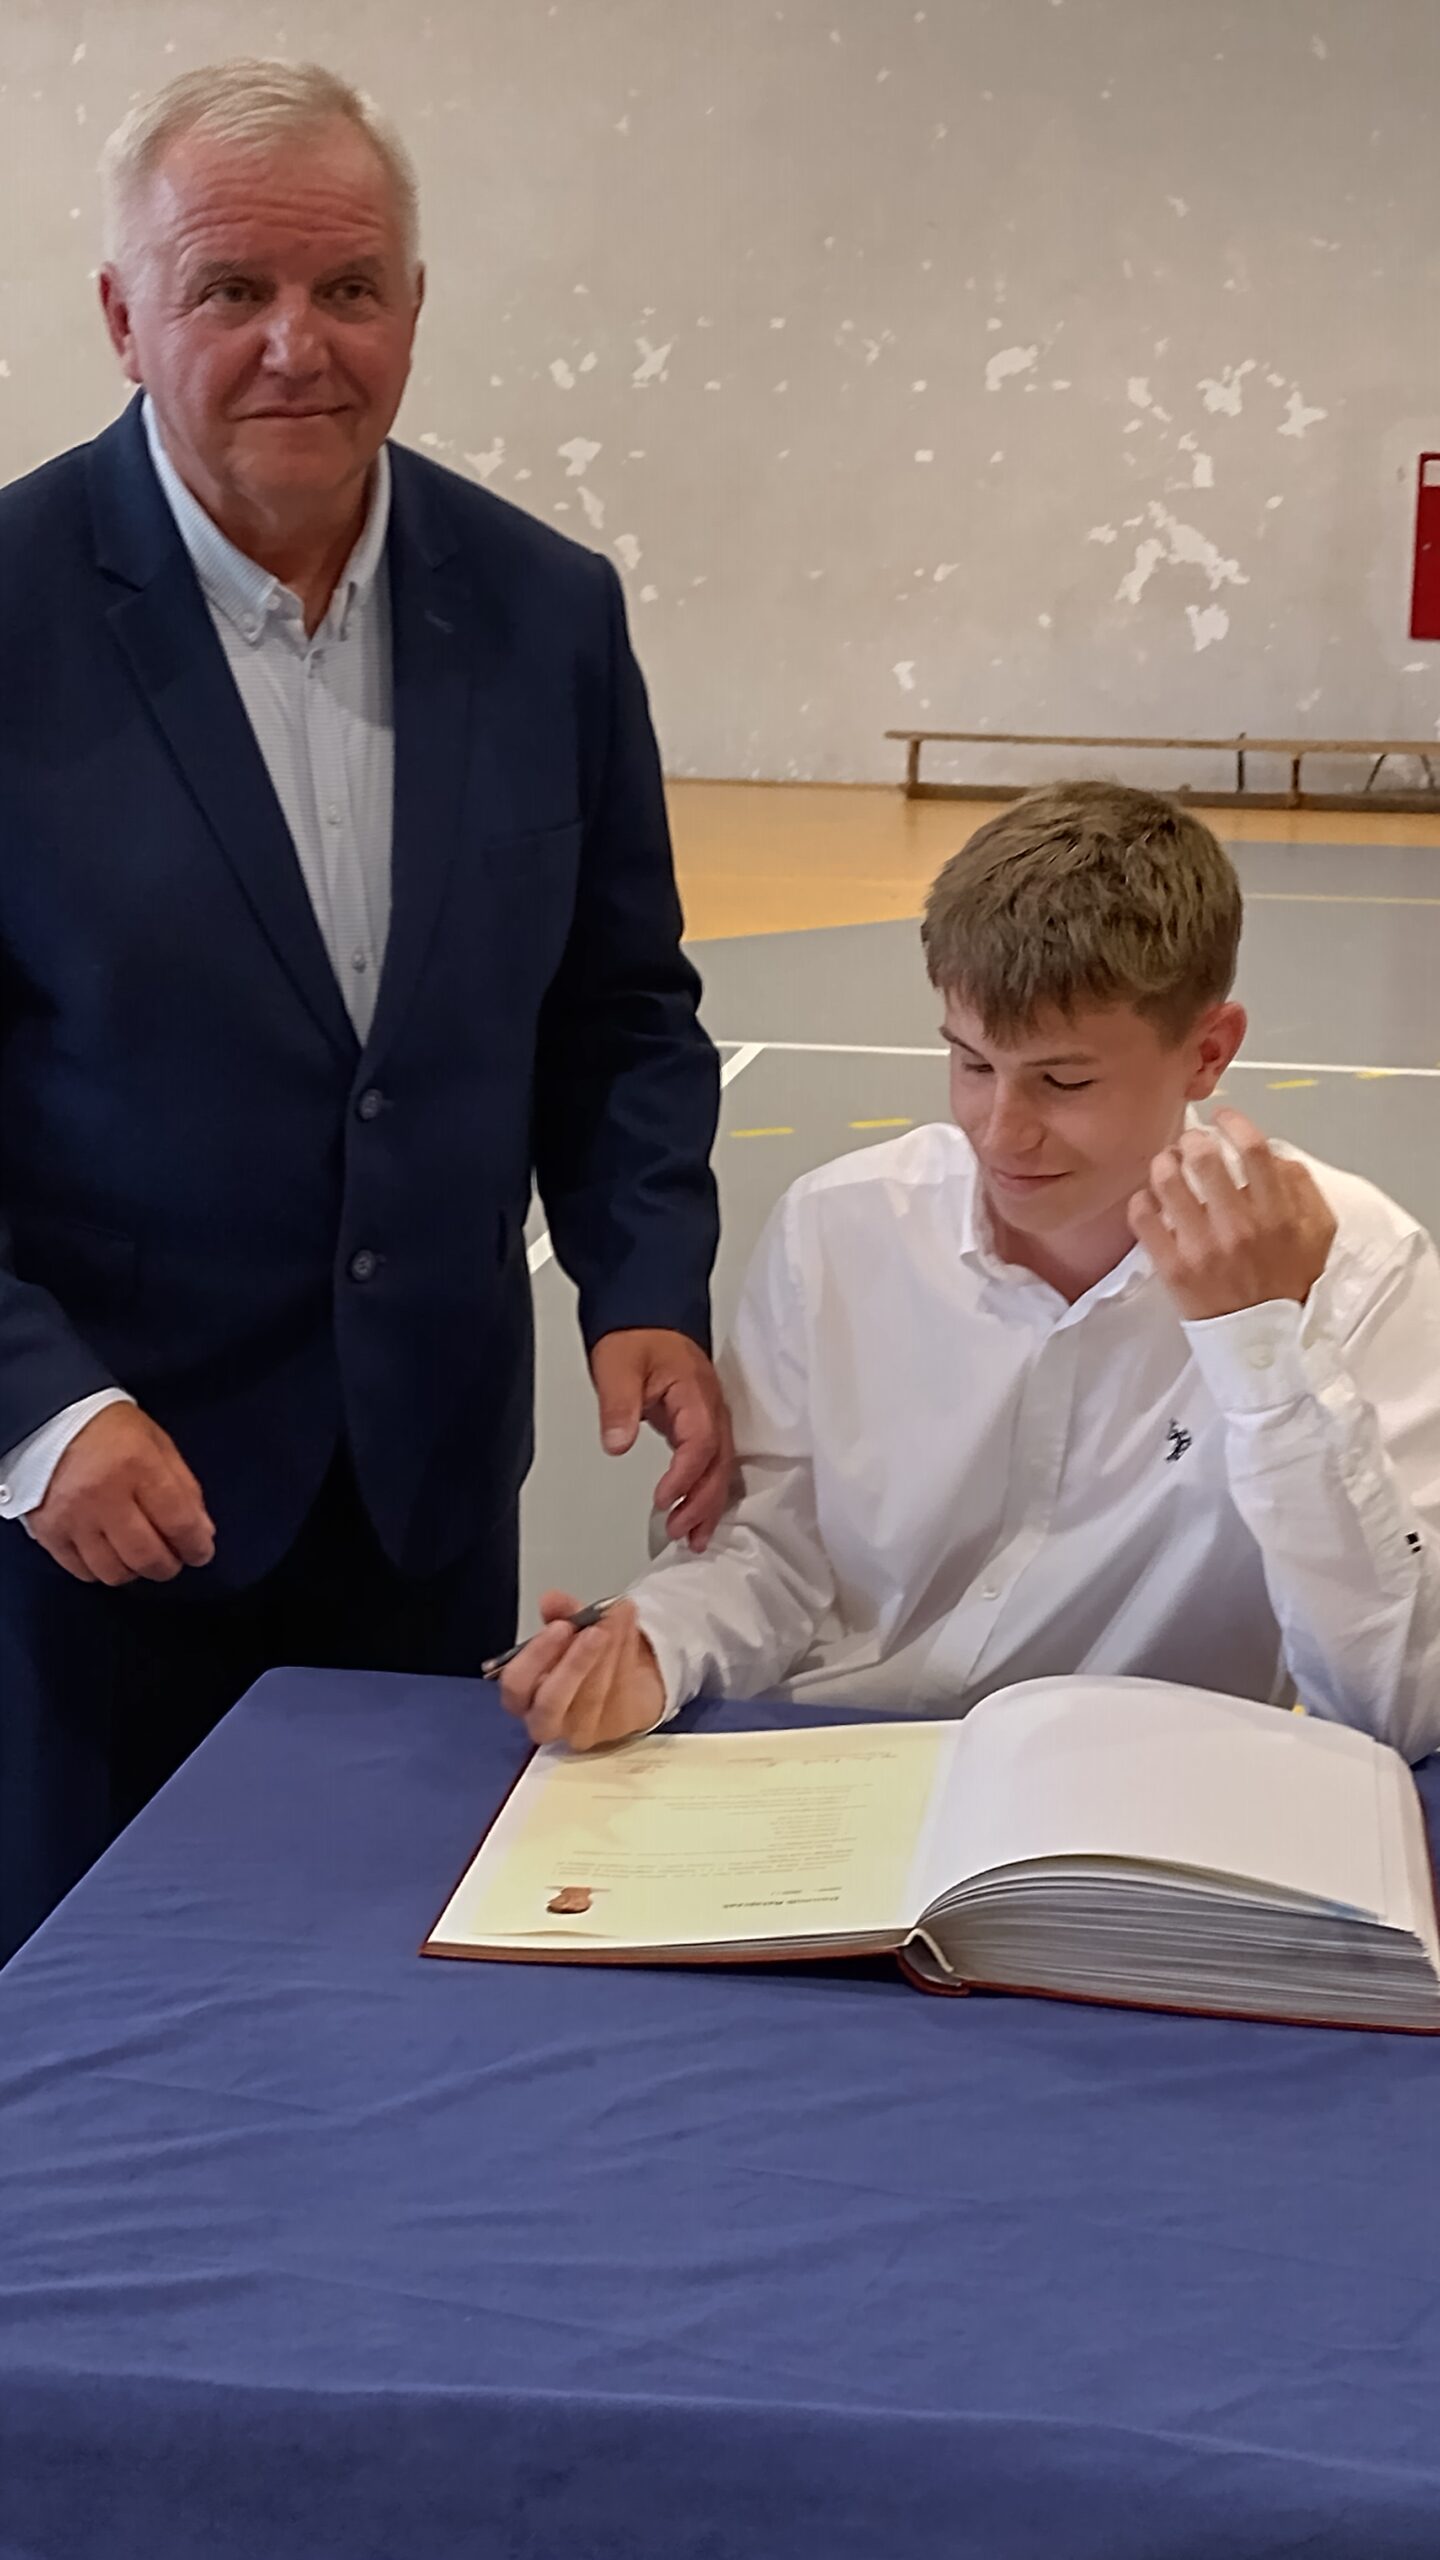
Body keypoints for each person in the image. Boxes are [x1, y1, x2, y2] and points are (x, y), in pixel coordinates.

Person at [0, 59, 730, 1962]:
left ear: (414, 301)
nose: (296, 345)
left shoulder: (550, 610)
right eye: (230, 290)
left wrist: (646, 1276)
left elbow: (621, 1007)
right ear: (122, 315)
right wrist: (39, 1409)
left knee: (393, 1979)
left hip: (424, 1494)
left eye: (348, 289)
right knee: (102, 2009)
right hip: (102, 1513)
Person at [500, 780, 1440, 1764]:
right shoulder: (838, 1227)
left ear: (1208, 1051)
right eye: (973, 1064)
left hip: (1128, 1796)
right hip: (831, 1771)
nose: (1001, 1131)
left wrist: (1266, 1359)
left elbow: (1400, 1707)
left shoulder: (1354, 1269)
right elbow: (770, 1557)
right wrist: (653, 1648)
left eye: (1064, 1081)